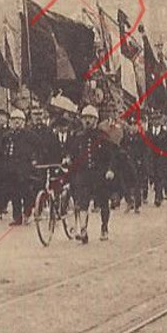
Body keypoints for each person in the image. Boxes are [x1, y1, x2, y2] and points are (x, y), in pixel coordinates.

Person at [65, 104, 120, 242]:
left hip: (100, 175)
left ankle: (104, 228)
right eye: (85, 118)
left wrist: (110, 169)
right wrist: (68, 159)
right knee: (82, 202)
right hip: (83, 175)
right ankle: (83, 230)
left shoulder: (103, 136)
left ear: (96, 121)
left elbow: (112, 155)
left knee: (103, 202)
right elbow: (72, 153)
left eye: (90, 118)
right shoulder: (78, 136)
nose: (87, 121)